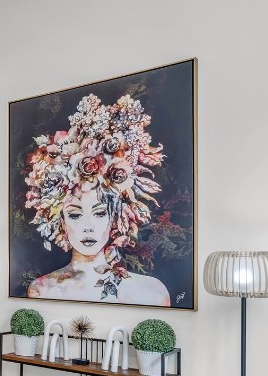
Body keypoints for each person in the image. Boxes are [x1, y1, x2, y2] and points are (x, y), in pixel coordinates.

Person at [23, 93, 170, 305]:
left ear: (118, 216)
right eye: (74, 214)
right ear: (60, 220)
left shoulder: (151, 293)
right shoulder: (42, 290)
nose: (88, 227)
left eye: (100, 212)